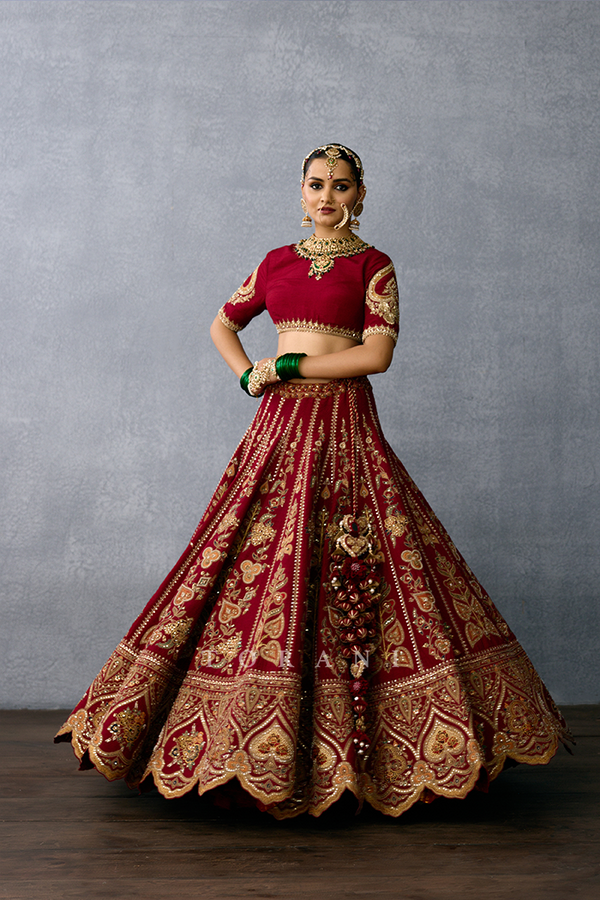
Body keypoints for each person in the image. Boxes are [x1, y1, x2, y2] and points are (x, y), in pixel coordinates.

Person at [55, 143, 570, 819]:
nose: (327, 196)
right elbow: (222, 324)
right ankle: (238, 741)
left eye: (341, 185)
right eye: (317, 184)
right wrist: (249, 373)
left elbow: (376, 355)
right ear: (301, 192)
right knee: (252, 555)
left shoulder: (373, 265)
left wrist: (287, 366)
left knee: (358, 557)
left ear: (360, 194)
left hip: (344, 423)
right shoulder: (275, 262)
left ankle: (373, 747)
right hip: (277, 426)